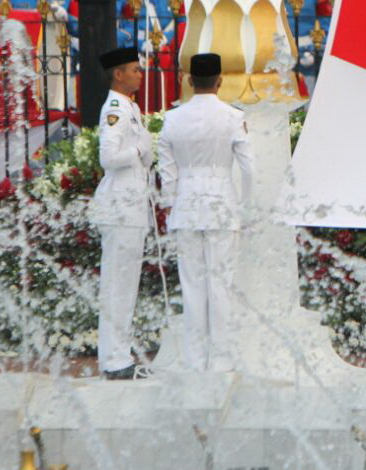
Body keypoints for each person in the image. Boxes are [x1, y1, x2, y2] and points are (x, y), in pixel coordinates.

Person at [157, 52, 254, 372]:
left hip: (186, 206)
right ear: (220, 80)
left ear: (188, 81)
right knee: (220, 283)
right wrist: (245, 206)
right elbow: (249, 169)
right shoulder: (232, 117)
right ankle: (222, 361)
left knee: (193, 285)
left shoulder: (172, 119)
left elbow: (167, 174)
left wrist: (171, 204)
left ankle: (195, 360)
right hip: (222, 205)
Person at [91, 47, 153, 380]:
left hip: (131, 206)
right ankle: (114, 359)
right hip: (120, 207)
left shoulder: (130, 107)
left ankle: (120, 354)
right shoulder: (115, 107)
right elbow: (109, 157)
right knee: (117, 286)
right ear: (118, 74)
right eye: (134, 70)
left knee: (125, 286)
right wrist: (139, 149)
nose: (139, 74)